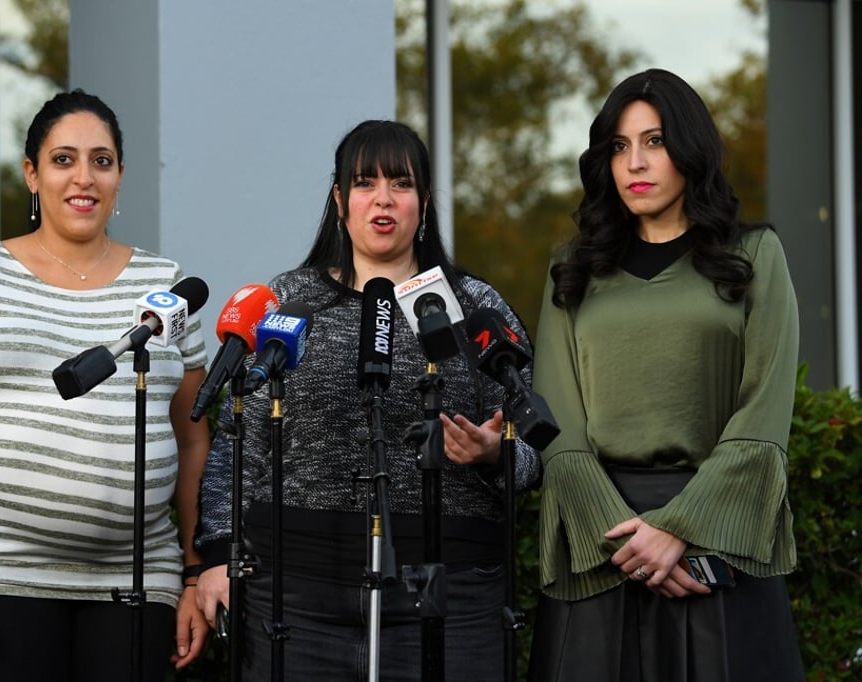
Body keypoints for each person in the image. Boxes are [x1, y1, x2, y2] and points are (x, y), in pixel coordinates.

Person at [194, 119, 542, 680]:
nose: (383, 199)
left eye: (400, 184)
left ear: (423, 202)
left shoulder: (473, 306)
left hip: (449, 594)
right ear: (339, 200)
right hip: (296, 591)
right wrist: (214, 557)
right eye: (364, 183)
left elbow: (533, 452)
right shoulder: (290, 299)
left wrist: (492, 453)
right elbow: (238, 444)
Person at [0, 89, 211, 681]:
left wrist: (195, 572)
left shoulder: (165, 285)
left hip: (137, 581)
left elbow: (193, 438)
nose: (83, 177)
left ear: (119, 177)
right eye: (63, 159)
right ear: (32, 175)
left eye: (102, 160)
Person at [526, 68, 805, 681]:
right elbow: (559, 432)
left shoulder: (755, 256)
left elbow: (762, 419)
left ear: (690, 150)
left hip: (719, 550)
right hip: (601, 545)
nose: (635, 163)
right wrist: (631, 543)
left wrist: (679, 529)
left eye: (654, 141)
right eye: (620, 147)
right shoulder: (572, 270)